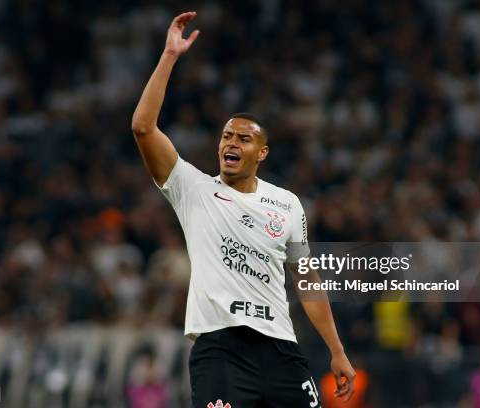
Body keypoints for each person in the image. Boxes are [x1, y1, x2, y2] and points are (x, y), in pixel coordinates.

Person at [132, 11, 355, 407]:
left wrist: (336, 350)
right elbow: (143, 128)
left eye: (243, 138)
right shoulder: (192, 188)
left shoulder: (286, 204)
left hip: (281, 350)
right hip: (221, 350)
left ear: (262, 152)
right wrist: (169, 56)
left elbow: (306, 279)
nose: (231, 143)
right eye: (226, 136)